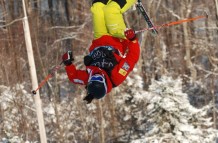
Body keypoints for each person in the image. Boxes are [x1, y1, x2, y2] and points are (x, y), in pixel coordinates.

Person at [62, 0, 140, 104]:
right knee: (111, 10)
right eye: (99, 78)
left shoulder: (89, 76)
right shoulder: (116, 76)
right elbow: (132, 58)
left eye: (94, 78)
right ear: (104, 83)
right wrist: (133, 40)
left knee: (97, 7)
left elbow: (74, 77)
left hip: (100, 38)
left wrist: (68, 64)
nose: (97, 75)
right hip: (117, 39)